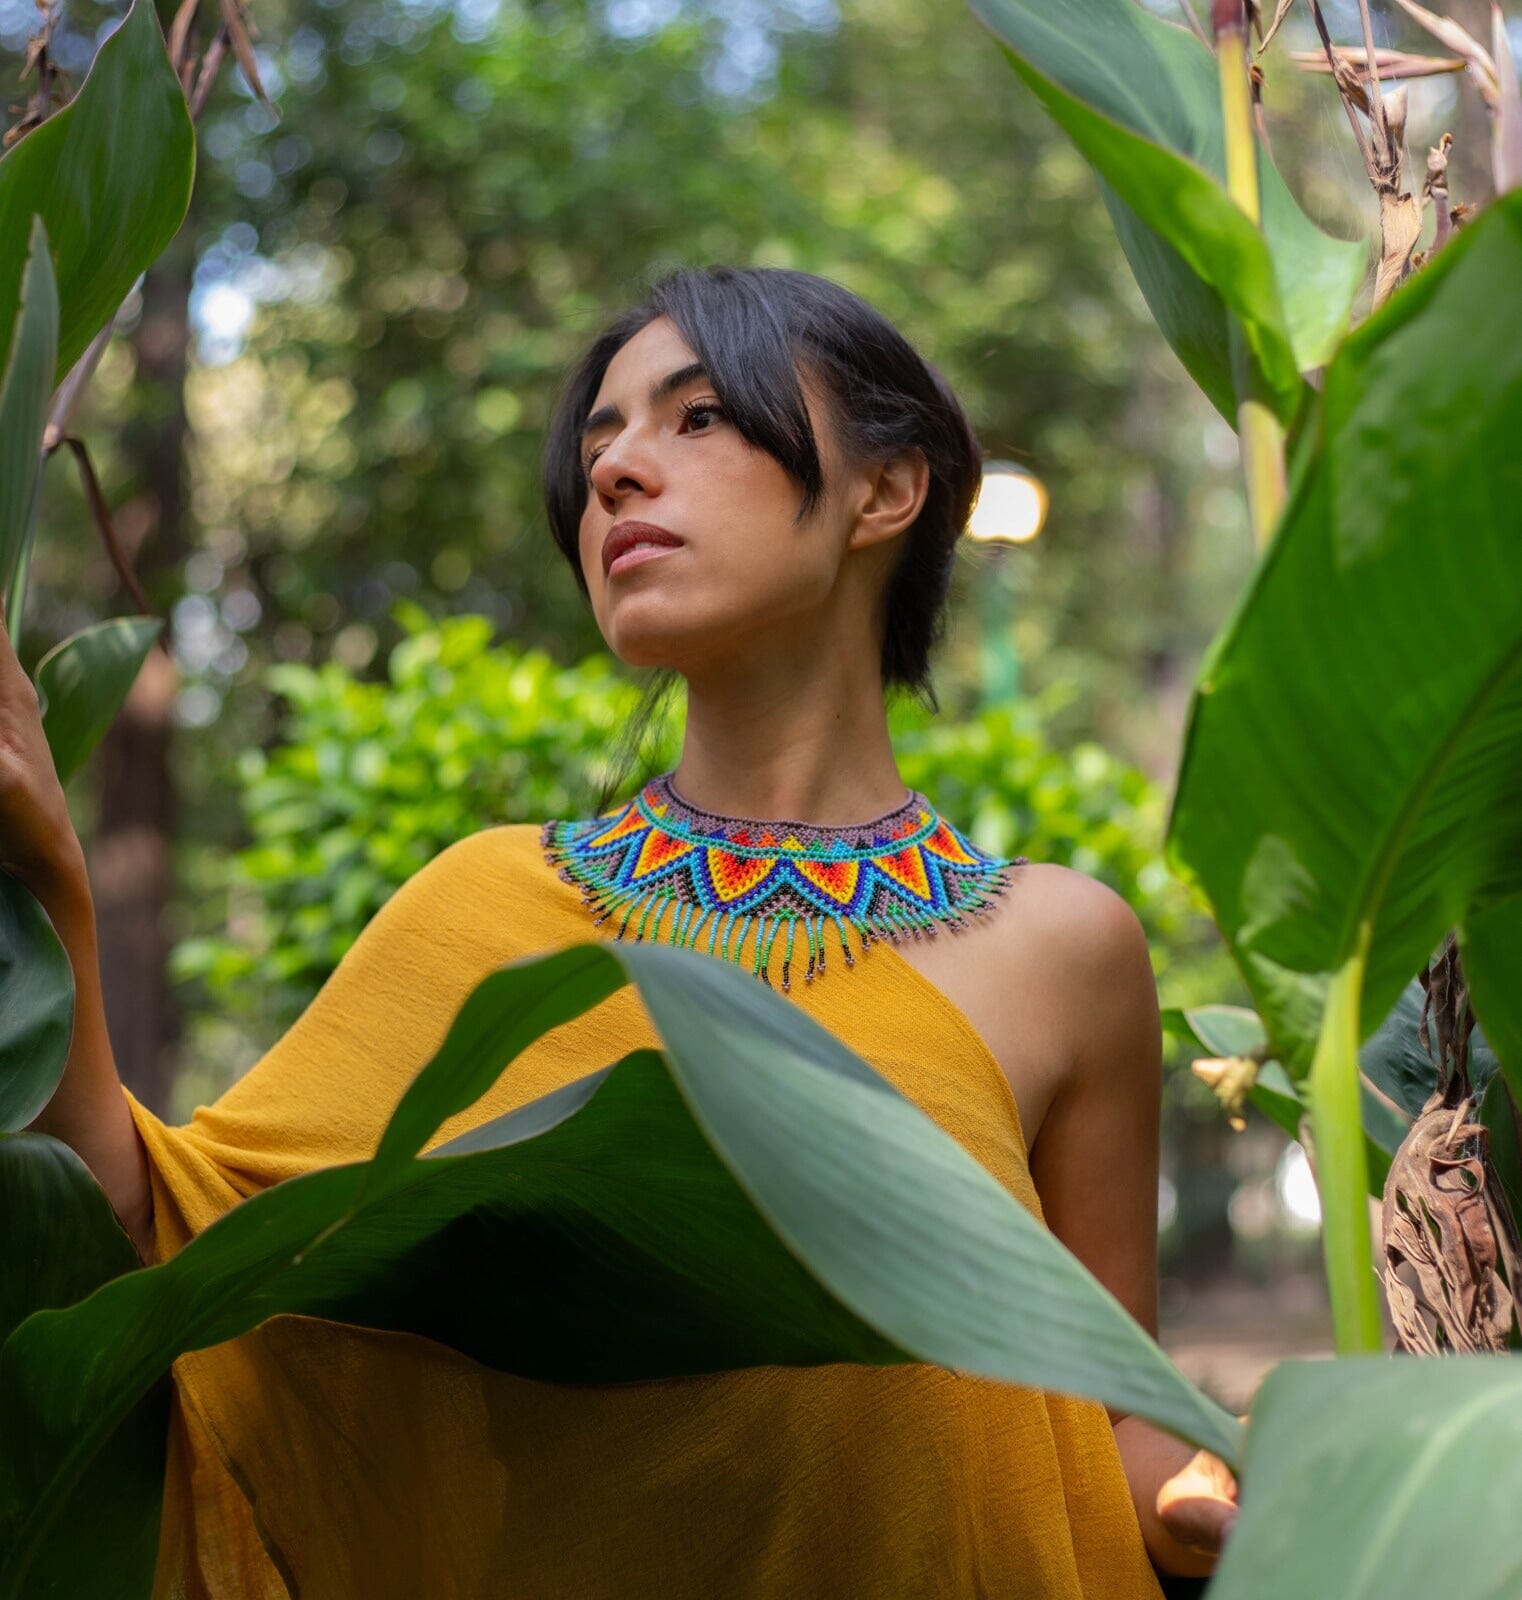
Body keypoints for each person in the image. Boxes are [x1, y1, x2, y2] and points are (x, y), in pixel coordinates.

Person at [3, 264, 1239, 1597]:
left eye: (695, 419)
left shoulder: (1065, 944)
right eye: (599, 444)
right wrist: (55, 885)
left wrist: (1208, 1492)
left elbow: (1112, 1402)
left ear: (886, 490)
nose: (615, 475)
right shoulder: (485, 908)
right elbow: (163, 1243)